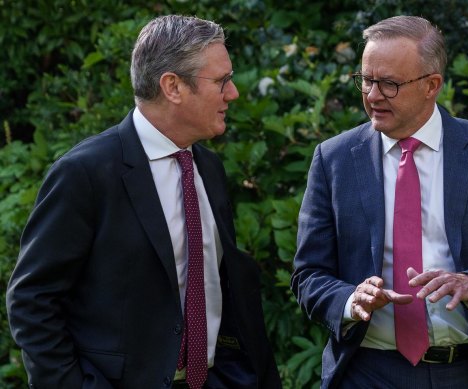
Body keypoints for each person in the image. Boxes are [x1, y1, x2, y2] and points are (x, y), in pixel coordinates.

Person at [6, 15, 281, 389]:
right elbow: (32, 301)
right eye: (221, 81)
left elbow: (224, 288)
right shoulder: (85, 173)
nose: (232, 93)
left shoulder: (208, 167)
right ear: (173, 86)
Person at [291, 15, 468, 389]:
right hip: (366, 372)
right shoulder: (335, 159)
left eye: (389, 84)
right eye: (366, 80)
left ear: (432, 85)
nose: (373, 95)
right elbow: (308, 274)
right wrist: (350, 299)